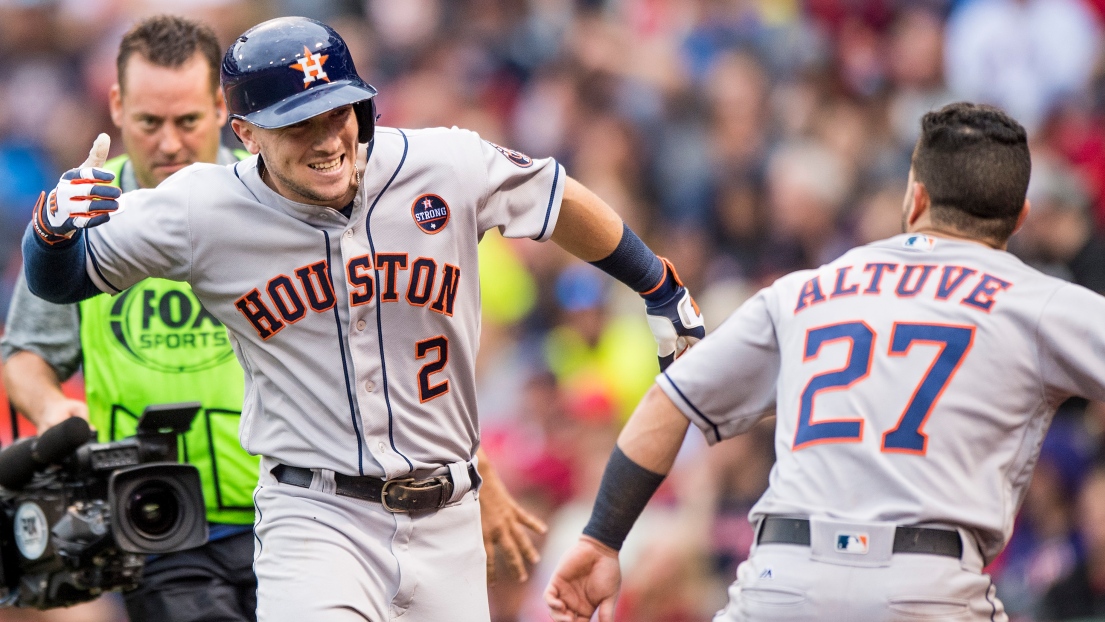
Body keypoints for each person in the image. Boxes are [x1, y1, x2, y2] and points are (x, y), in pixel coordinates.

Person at [20, 16, 704, 622]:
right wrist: (48, 231)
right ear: (247, 133)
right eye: (299, 122)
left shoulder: (442, 163)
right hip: (315, 515)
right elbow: (61, 280)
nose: (326, 138)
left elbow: (555, 199)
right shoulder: (200, 207)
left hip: (449, 517)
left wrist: (660, 287)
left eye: (338, 112)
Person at [544, 102, 1105, 622]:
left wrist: (601, 540)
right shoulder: (1038, 301)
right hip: (926, 584)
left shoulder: (807, 289)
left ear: (916, 198)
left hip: (781, 579)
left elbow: (668, 402)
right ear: (1020, 216)